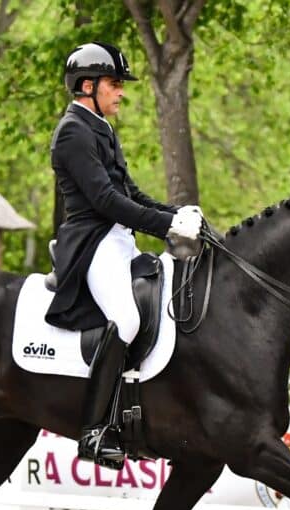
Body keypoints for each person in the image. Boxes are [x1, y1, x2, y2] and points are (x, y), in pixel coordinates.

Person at [46, 41, 202, 467]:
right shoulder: (73, 131)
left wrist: (178, 213)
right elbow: (105, 201)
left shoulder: (102, 128)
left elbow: (130, 194)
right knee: (127, 318)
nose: (121, 92)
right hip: (91, 243)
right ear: (87, 85)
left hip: (117, 240)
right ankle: (93, 431)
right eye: (114, 83)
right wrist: (167, 227)